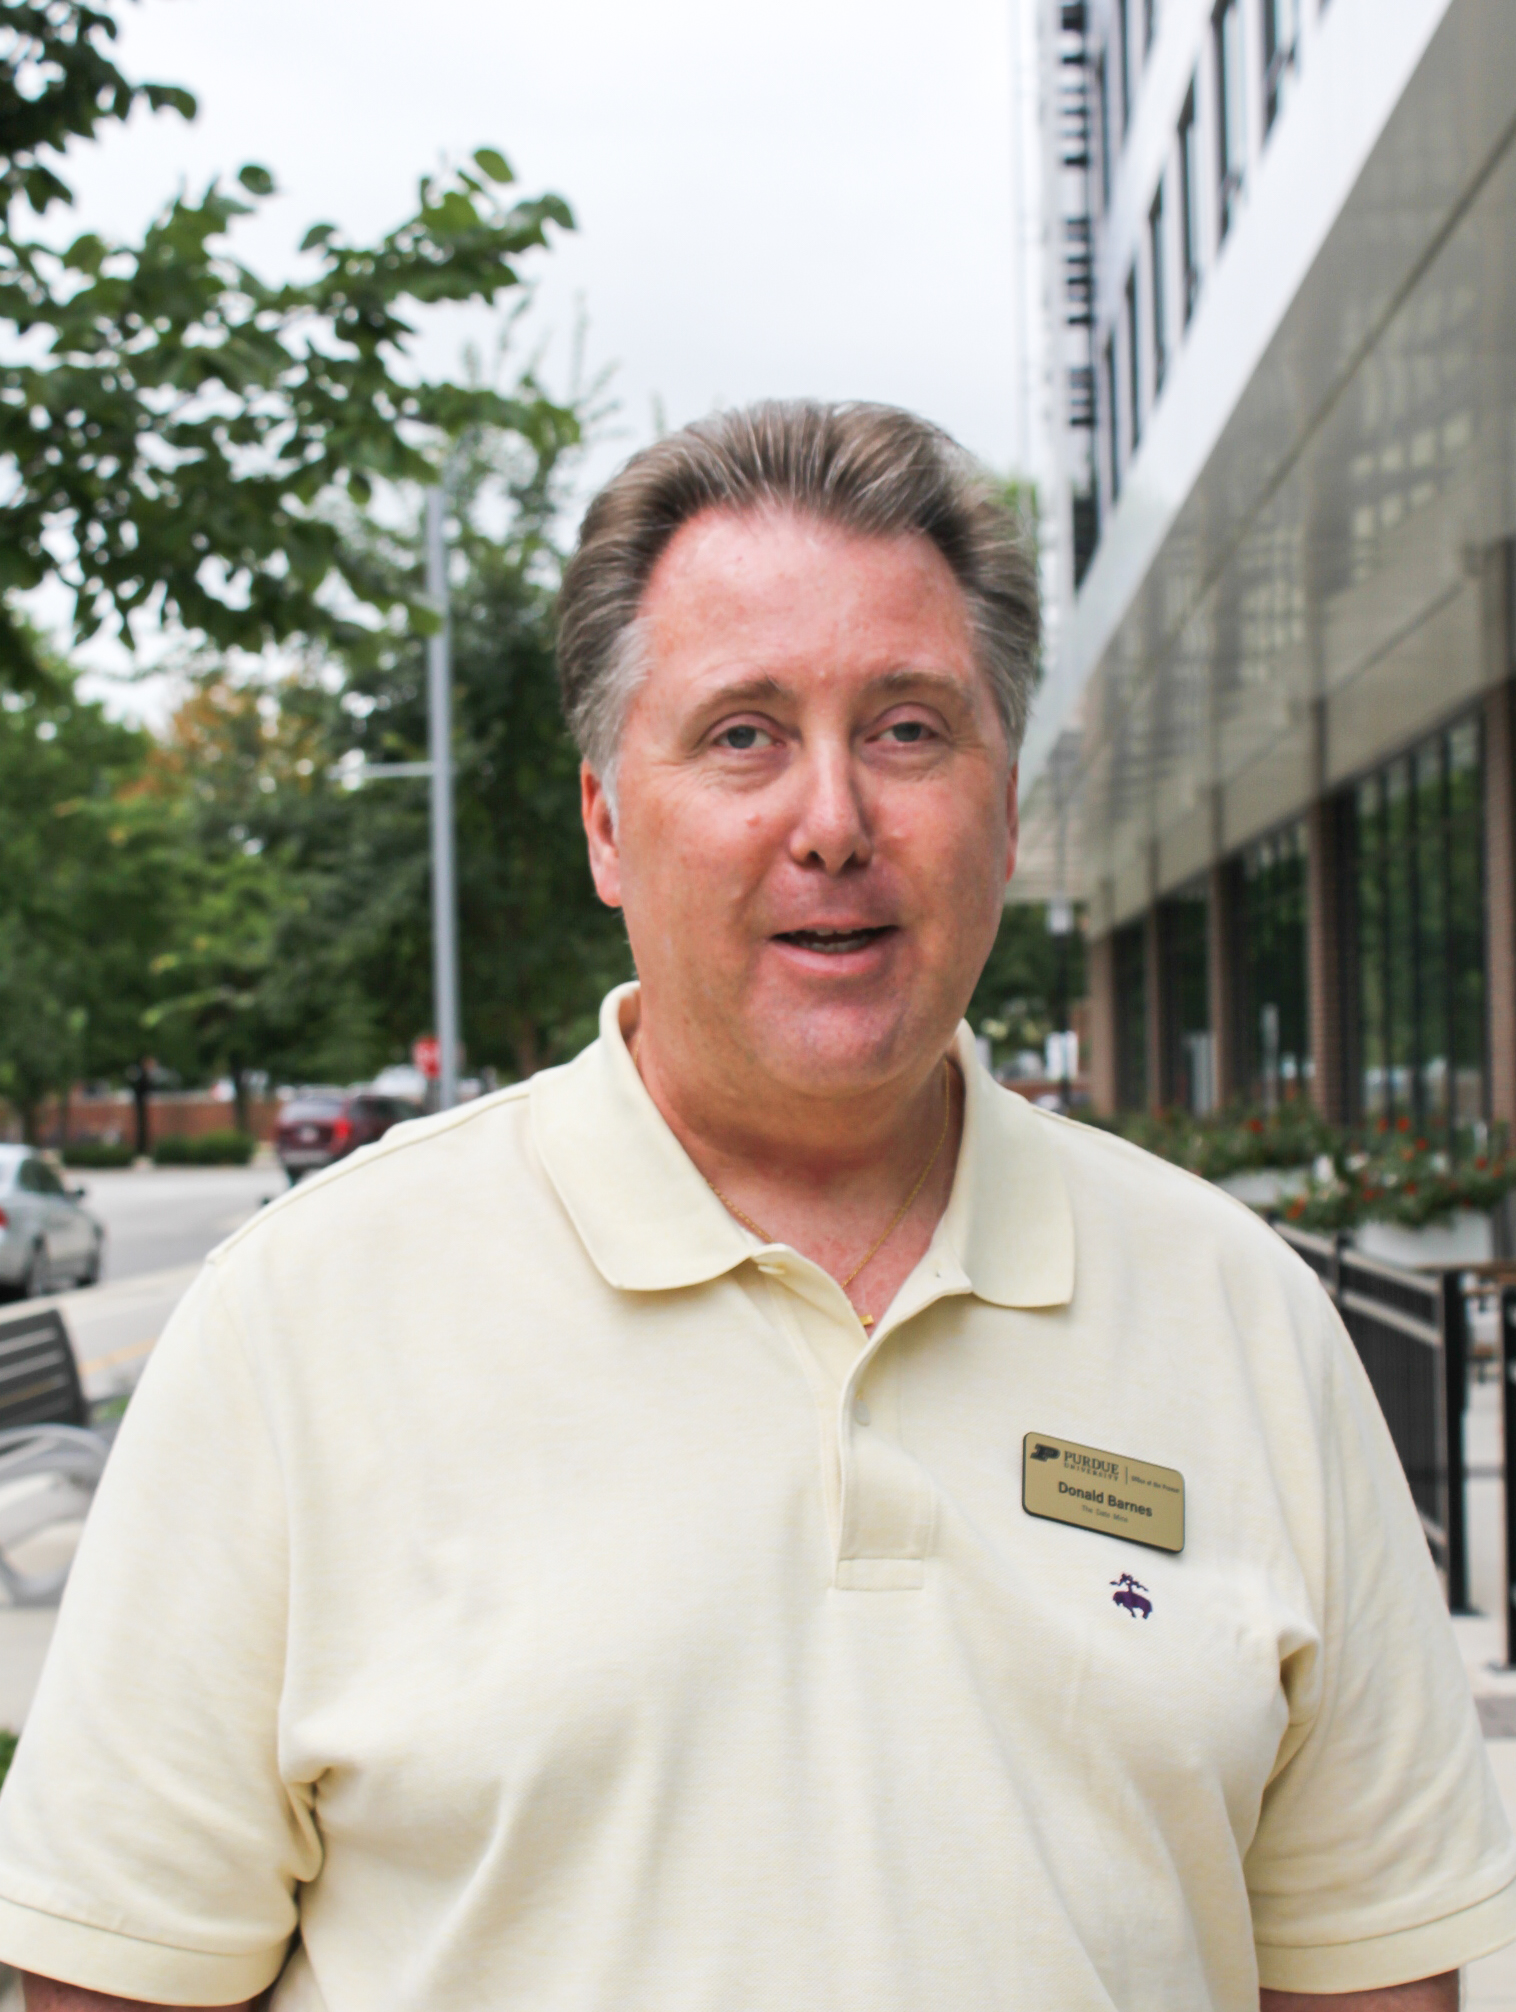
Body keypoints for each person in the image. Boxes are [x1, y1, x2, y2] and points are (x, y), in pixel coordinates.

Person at [0, 403, 1510, 2012]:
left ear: (1008, 812)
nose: (835, 821)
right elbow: (119, 1981)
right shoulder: (296, 1326)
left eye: (911, 728)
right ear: (603, 822)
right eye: (742, 735)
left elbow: (1369, 1978)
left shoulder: (1242, 1316)